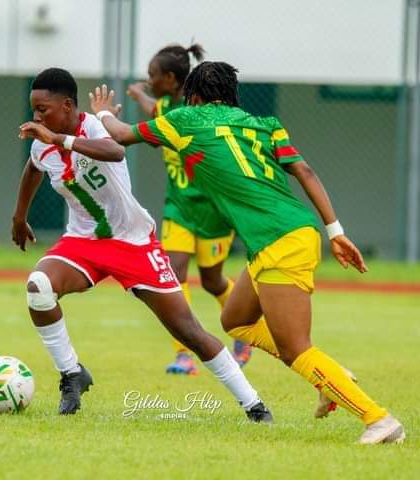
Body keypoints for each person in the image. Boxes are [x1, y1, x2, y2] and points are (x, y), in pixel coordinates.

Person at [87, 62, 405, 444]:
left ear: (195, 96)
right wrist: (335, 231)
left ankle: (379, 419)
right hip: (289, 234)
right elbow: (304, 170)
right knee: (235, 319)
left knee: (295, 349)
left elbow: (120, 135)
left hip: (279, 240)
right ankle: (331, 377)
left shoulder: (187, 117)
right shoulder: (264, 123)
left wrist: (102, 111)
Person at [14, 67, 271, 421]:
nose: (36, 117)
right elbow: (32, 169)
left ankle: (254, 404)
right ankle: (72, 374)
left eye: (43, 109)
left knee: (188, 331)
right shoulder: (44, 143)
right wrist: (19, 216)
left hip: (132, 242)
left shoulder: (92, 127)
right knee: (38, 287)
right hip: (82, 242)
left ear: (69, 105)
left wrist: (59, 139)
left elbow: (115, 151)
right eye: (34, 110)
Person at [127, 44, 252, 375]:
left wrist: (139, 95)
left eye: (152, 75)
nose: (148, 80)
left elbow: (153, 110)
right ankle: (183, 354)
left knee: (212, 281)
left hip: (213, 211)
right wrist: (141, 93)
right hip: (178, 209)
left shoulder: (192, 113)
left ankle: (245, 333)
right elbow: (153, 110)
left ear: (170, 78)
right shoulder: (166, 105)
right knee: (174, 273)